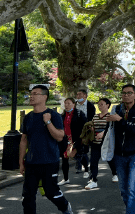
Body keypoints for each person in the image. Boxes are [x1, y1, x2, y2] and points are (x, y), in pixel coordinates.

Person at [19, 85, 72, 214]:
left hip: (49, 161)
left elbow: (60, 137)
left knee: (50, 192)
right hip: (31, 162)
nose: (31, 96)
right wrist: (21, 162)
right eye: (30, 94)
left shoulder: (53, 115)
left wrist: (48, 122)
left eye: (35, 94)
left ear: (44, 97)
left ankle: (65, 207)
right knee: (28, 196)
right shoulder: (28, 117)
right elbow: (24, 140)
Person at [107, 84, 135, 214]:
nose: (126, 95)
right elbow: (111, 130)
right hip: (118, 155)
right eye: (124, 93)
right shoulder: (117, 109)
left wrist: (120, 121)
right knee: (124, 189)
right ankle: (130, 209)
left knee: (132, 189)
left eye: (129, 93)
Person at [85, 98, 117, 190]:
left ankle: (115, 173)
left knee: (110, 159)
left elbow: (112, 129)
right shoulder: (95, 116)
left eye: (102, 104)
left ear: (107, 105)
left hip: (106, 143)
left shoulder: (110, 116)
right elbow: (93, 126)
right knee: (93, 161)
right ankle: (93, 180)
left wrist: (103, 134)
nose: (100, 106)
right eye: (99, 105)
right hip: (95, 143)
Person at [57, 97, 88, 185]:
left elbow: (84, 126)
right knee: (64, 157)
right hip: (65, 140)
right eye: (65, 103)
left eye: (69, 103)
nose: (66, 105)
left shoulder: (79, 113)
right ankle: (66, 178)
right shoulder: (62, 115)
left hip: (76, 139)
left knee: (78, 156)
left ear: (74, 104)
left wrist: (81, 139)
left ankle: (86, 168)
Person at [74, 89, 95, 175]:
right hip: (76, 130)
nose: (78, 96)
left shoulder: (90, 106)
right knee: (76, 147)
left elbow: (92, 118)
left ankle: (85, 165)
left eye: (80, 95)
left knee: (84, 148)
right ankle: (79, 165)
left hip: (86, 129)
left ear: (85, 96)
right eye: (77, 95)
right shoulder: (74, 105)